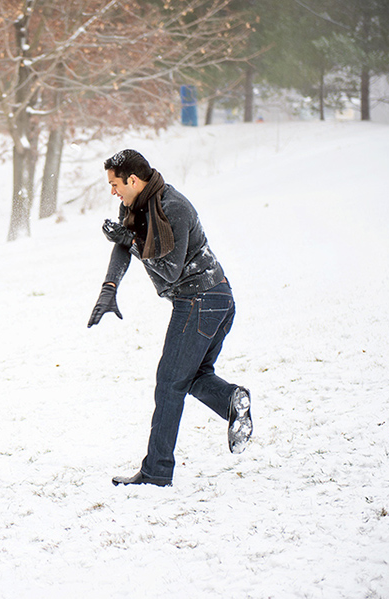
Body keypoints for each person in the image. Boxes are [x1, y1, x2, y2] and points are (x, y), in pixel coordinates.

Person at [88, 149, 252, 487]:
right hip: (210, 299)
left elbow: (171, 270)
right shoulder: (135, 205)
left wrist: (130, 240)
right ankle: (232, 402)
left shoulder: (172, 207)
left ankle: (156, 472)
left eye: (115, 184)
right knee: (191, 376)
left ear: (133, 180)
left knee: (169, 383)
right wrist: (109, 288)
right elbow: (125, 244)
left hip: (201, 299)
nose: (113, 192)